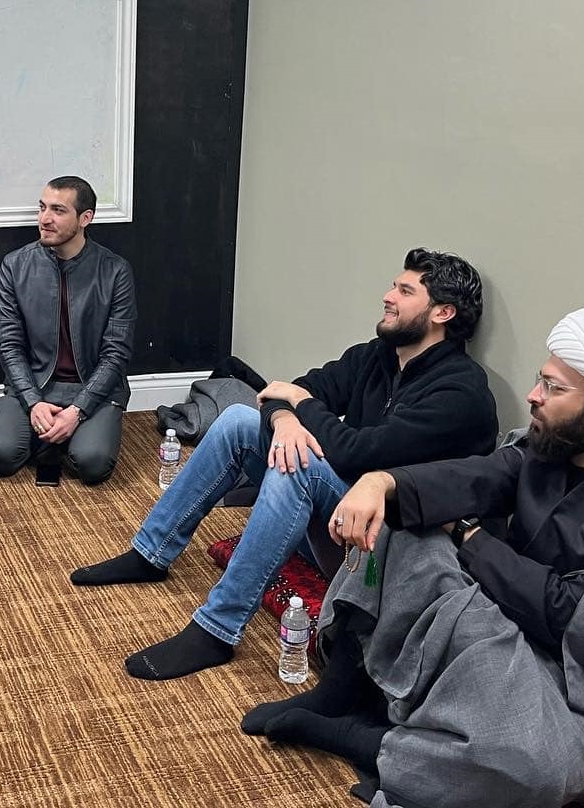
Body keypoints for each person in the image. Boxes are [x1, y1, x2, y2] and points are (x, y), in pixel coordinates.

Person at [244, 305, 584, 808]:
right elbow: (475, 477)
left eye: (553, 388)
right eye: (540, 380)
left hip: (565, 679)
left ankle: (366, 741)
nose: (533, 396)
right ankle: (338, 692)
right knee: (404, 520)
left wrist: (468, 536)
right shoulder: (547, 449)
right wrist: (383, 482)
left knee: (533, 763)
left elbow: (572, 621)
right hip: (495, 623)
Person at [71, 248, 498, 681]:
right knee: (239, 421)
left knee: (299, 466)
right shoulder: (379, 356)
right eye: (393, 286)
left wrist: (302, 405)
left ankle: (217, 630)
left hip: (383, 553)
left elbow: (356, 452)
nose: (388, 297)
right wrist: (286, 418)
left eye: (405, 291)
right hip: (338, 522)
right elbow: (286, 391)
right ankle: (150, 553)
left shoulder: (459, 393)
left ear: (442, 312)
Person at [0, 176, 136, 485]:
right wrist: (33, 401)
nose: (44, 219)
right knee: (0, 455)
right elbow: (9, 345)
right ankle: (55, 435)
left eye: (58, 210)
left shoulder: (115, 271)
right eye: (42, 208)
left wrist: (78, 410)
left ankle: (64, 436)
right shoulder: (15, 266)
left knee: (93, 464)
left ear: (85, 218)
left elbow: (116, 354)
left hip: (93, 387)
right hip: (36, 384)